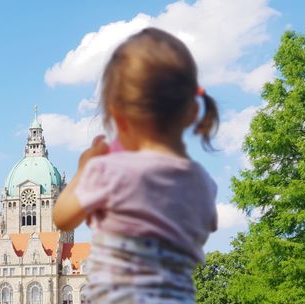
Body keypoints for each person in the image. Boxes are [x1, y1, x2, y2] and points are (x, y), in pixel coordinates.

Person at [53, 27, 219, 304]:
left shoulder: (110, 171)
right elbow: (207, 223)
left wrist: (84, 169)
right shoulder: (202, 180)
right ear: (192, 111)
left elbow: (62, 218)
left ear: (117, 116)